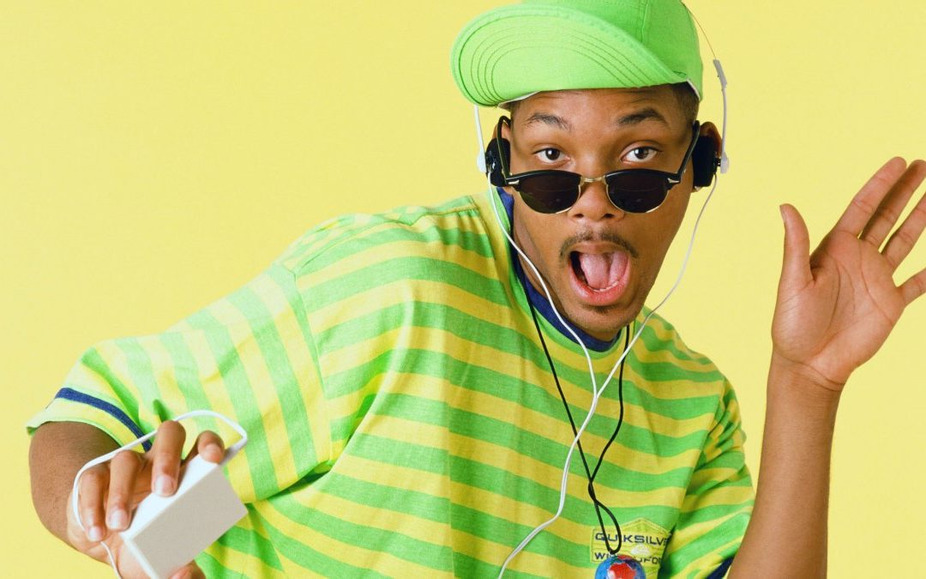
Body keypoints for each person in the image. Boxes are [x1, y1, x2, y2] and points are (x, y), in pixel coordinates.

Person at [26, 0, 926, 577]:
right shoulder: (395, 294)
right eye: (550, 159)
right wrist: (119, 523)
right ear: (502, 165)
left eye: (640, 157)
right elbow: (91, 421)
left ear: (702, 164)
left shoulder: (688, 407)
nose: (594, 200)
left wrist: (807, 384)